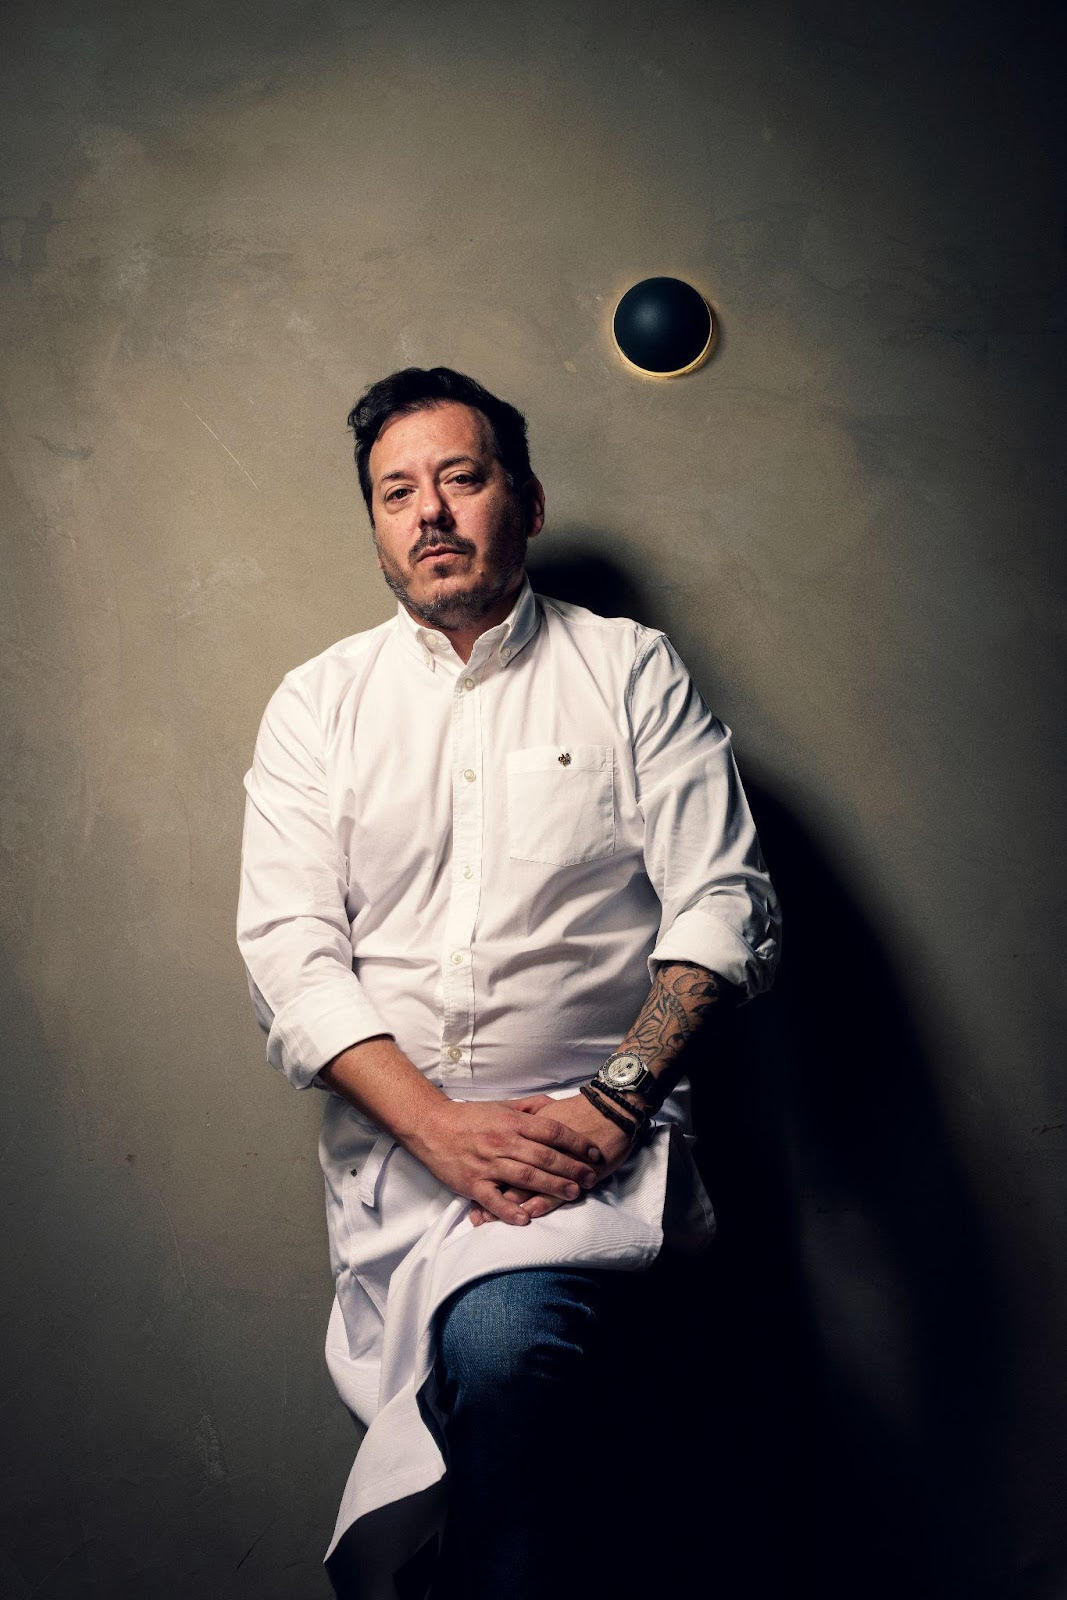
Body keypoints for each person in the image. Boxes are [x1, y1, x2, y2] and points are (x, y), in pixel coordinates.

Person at [236, 366, 781, 1598]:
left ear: (525, 502)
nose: (428, 512)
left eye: (460, 477)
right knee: (483, 1470)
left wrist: (611, 1104)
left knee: (501, 1354)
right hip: (401, 1174)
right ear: (375, 526)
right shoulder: (317, 704)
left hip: (594, 1160)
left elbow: (724, 901)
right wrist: (437, 1127)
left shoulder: (628, 669)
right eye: (395, 493)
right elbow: (288, 952)